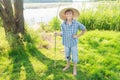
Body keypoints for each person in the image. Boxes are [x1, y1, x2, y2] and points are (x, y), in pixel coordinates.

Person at [55, 8, 86, 76]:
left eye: (70, 13)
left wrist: (77, 35)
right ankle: (68, 65)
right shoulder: (62, 24)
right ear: (65, 15)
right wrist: (57, 33)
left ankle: (74, 68)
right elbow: (63, 33)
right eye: (67, 14)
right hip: (66, 43)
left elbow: (84, 29)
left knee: (74, 56)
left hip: (73, 43)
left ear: (72, 15)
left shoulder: (76, 23)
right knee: (67, 55)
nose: (68, 15)